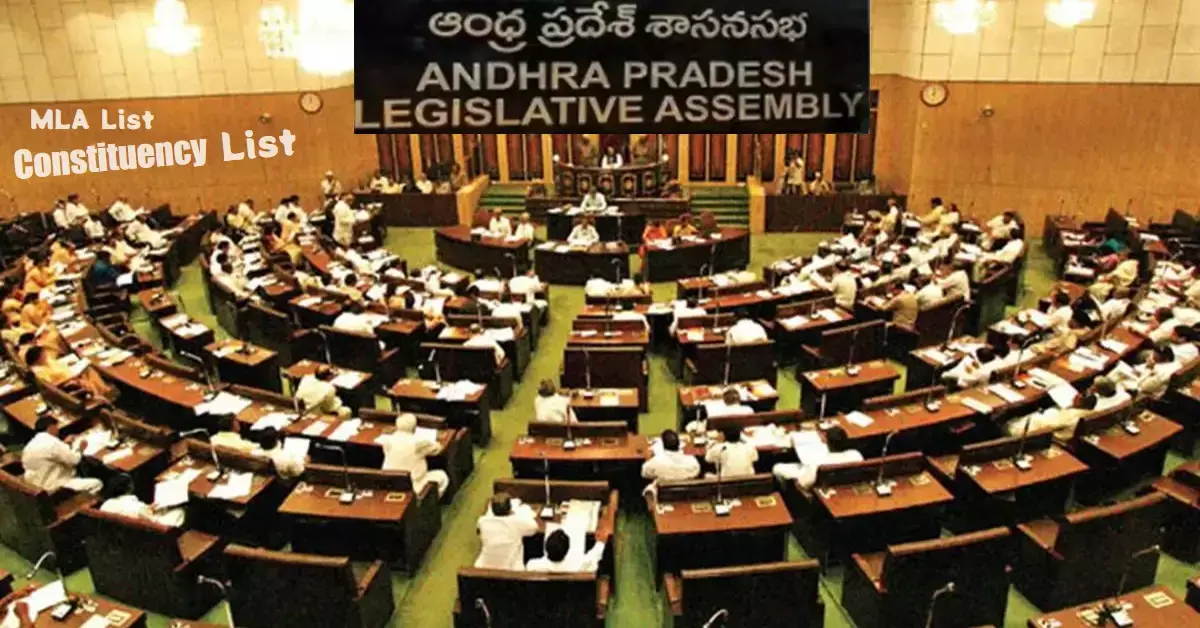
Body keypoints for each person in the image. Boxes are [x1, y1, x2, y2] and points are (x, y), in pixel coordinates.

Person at [22, 416, 103, 494]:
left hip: (37, 483)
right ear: (51, 427)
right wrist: (81, 448)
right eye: (56, 427)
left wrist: (64, 444)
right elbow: (75, 460)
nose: (58, 430)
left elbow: (51, 453)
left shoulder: (30, 445)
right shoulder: (52, 442)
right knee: (97, 483)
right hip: (56, 487)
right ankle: (87, 501)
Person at [379, 413, 449, 498]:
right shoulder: (418, 443)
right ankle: (429, 502)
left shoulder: (387, 440)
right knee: (442, 476)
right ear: (414, 427)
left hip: (390, 481)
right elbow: (438, 449)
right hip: (414, 483)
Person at [475, 491, 540, 570]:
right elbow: (534, 527)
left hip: (484, 568)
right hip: (511, 570)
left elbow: (479, 531)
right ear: (510, 509)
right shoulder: (517, 522)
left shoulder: (482, 521)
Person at [100, 472, 185, 527]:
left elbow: (129, 511)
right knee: (180, 511)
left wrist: (148, 509)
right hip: (149, 530)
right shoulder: (138, 507)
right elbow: (154, 522)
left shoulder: (105, 504)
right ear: (130, 487)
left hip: (123, 531)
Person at [1005, 395, 1097, 440]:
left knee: (1006, 425)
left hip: (1032, 434)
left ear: (1079, 402)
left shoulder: (1067, 416)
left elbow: (1045, 424)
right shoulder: (1091, 414)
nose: (1074, 396)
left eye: (1078, 396)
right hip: (1047, 429)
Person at [526, 527, 605, 573]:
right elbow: (594, 555)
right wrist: (600, 541)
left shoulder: (532, 566)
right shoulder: (579, 566)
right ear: (567, 549)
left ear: (546, 546)